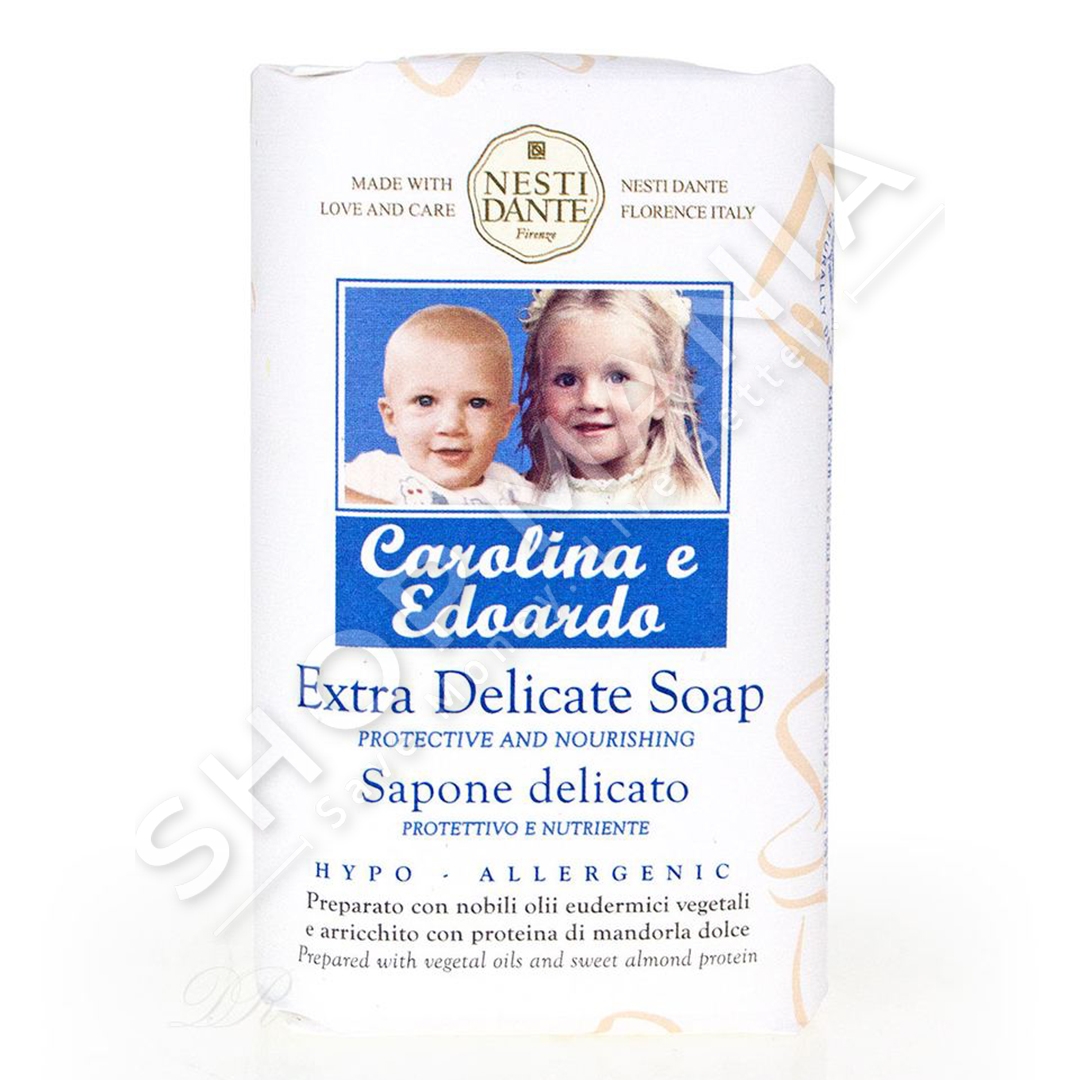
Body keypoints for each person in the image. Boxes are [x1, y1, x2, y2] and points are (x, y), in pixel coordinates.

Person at [518, 289, 720, 509]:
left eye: (617, 377)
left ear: (660, 393)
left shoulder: (689, 503)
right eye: (567, 380)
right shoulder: (519, 501)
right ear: (539, 391)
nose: (590, 400)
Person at [344, 305, 534, 507]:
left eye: (476, 403)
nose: (451, 425)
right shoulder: (375, 474)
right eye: (425, 401)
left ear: (504, 422)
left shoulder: (513, 489)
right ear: (391, 417)